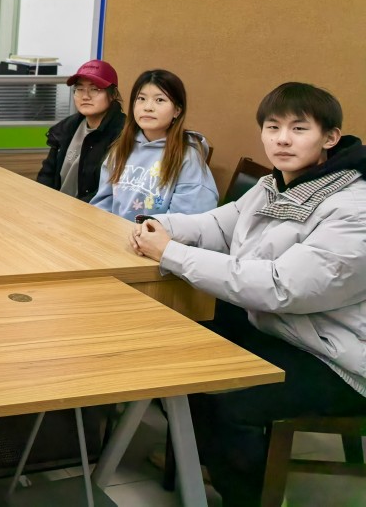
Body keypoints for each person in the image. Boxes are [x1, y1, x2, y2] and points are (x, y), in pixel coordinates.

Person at [131, 82, 366, 506]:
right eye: (273, 127)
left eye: (299, 129)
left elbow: (281, 287)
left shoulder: (353, 206)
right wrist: (158, 226)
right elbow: (220, 225)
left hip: (337, 356)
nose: (282, 139)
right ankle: (200, 456)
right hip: (283, 327)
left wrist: (171, 253)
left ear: (330, 137)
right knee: (178, 349)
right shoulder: (276, 184)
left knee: (229, 400)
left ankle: (244, 494)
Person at [91, 68, 217, 218]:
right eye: (141, 98)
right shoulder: (122, 147)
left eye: (160, 100)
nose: (148, 107)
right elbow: (103, 203)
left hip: (157, 233)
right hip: (113, 230)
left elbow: (187, 220)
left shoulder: (187, 156)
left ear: (177, 110)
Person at [37, 60, 126, 202]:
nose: (85, 96)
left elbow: (111, 190)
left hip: (89, 211)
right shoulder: (67, 127)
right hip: (55, 206)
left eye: (94, 89)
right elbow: (47, 175)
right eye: (79, 89)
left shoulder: (123, 134)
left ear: (113, 94)